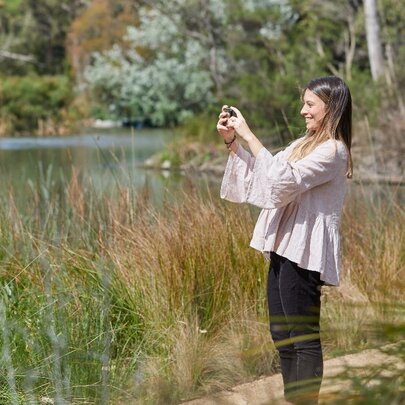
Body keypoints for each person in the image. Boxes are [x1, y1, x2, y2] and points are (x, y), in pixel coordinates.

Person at [216, 76, 353, 404]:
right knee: (282, 336)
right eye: (304, 103)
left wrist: (249, 135)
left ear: (330, 108)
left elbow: (282, 179)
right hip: (282, 245)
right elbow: (269, 173)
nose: (303, 110)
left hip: (304, 251)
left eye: (310, 104)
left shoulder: (334, 151)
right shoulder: (301, 144)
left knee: (303, 339)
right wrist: (232, 142)